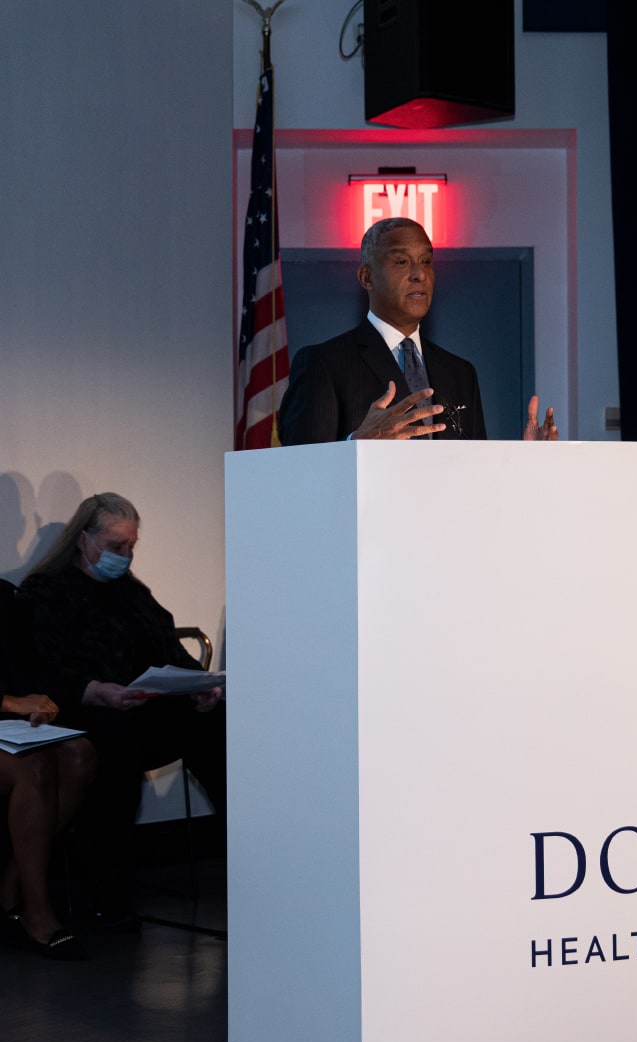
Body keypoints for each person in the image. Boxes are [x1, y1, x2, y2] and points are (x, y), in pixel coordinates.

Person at [16, 493, 225, 926]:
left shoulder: (132, 592)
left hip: (136, 705)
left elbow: (167, 649)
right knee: (116, 739)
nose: (125, 556)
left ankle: (250, 858)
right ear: (84, 539)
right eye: (116, 547)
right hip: (82, 709)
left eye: (131, 546)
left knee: (216, 724)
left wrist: (198, 686)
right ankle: (106, 891)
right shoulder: (47, 591)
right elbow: (41, 671)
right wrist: (97, 691)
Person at [278, 217, 560, 444]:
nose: (420, 274)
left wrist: (530, 460)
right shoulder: (323, 363)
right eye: (402, 262)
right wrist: (357, 443)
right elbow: (300, 472)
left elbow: (475, 477)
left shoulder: (460, 372)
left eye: (426, 261)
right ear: (367, 277)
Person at [1, 581, 96, 959]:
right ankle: (37, 914)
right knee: (34, 765)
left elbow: (26, 668)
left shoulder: (6, 597)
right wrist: (9, 701)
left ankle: (10, 884)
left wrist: (38, 701)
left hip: (6, 726)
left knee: (79, 754)